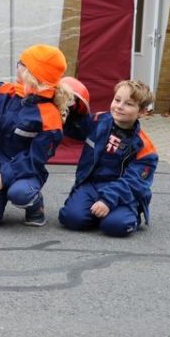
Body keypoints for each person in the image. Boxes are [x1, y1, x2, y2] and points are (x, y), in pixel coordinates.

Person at [0, 44, 71, 227]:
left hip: (25, 173)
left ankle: (35, 206)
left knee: (20, 193)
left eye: (22, 63)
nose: (18, 65)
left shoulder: (49, 117)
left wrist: (5, 177)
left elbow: (35, 159)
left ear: (32, 73)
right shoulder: (5, 92)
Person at [58, 80, 158, 237]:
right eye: (117, 100)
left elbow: (134, 183)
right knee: (71, 219)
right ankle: (96, 212)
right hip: (91, 185)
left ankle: (128, 213)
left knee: (116, 226)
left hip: (123, 192)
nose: (119, 106)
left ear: (142, 112)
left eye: (129, 104)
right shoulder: (98, 121)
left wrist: (107, 201)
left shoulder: (145, 148)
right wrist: (66, 107)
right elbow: (72, 127)